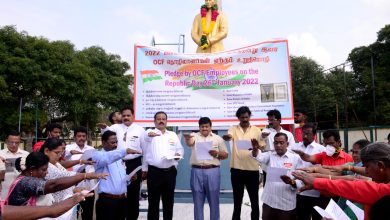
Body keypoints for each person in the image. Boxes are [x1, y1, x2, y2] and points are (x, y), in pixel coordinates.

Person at [292, 142, 390, 220]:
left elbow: (354, 187)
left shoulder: (385, 190)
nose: (366, 172)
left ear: (381, 166)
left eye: (367, 167)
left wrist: (316, 181)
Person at [5, 152, 106, 206]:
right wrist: (85, 176)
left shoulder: (30, 177)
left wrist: (74, 193)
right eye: (44, 170)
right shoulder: (25, 182)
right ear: (32, 169)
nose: (47, 172)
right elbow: (53, 185)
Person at [98, 106, 146, 220]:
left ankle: (132, 217)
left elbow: (146, 150)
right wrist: (104, 128)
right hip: (117, 163)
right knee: (119, 191)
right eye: (123, 115)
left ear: (133, 116)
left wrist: (144, 168)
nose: (126, 117)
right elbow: (107, 135)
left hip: (134, 163)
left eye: (128, 115)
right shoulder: (115, 127)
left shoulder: (140, 130)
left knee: (133, 194)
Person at [183, 117, 228, 220]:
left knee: (214, 201)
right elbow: (190, 142)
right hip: (196, 171)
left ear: (210, 127)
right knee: (197, 201)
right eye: (202, 127)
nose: (204, 129)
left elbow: (225, 155)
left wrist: (217, 154)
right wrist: (187, 139)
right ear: (199, 127)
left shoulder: (218, 138)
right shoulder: (194, 136)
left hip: (212, 171)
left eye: (206, 126)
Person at [222, 106, 262, 220]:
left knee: (254, 201)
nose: (245, 119)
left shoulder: (256, 130)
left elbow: (262, 146)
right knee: (237, 201)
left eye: (246, 117)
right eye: (242, 117)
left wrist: (256, 147)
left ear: (249, 116)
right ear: (238, 118)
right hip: (236, 170)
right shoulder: (233, 129)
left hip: (252, 170)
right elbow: (229, 136)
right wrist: (227, 137)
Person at [143, 111, 184, 220]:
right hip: (154, 173)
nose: (161, 121)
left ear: (166, 121)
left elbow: (180, 149)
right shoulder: (150, 133)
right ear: (154, 121)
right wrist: (149, 134)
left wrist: (178, 155)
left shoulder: (173, 135)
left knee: (169, 203)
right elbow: (146, 136)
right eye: (158, 119)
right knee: (153, 204)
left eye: (163, 119)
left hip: (170, 173)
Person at [92, 130, 141, 220]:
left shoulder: (118, 158)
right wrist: (125, 151)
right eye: (112, 142)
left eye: (116, 142)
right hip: (107, 201)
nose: (115, 145)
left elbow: (119, 179)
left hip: (122, 201)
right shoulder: (97, 155)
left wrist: (129, 178)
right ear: (103, 142)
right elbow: (107, 158)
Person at [251, 133, 300, 220]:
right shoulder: (270, 155)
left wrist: (292, 182)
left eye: (281, 143)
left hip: (286, 204)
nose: (278, 145)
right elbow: (258, 156)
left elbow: (300, 179)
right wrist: (255, 149)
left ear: (287, 144)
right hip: (269, 202)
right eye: (276, 143)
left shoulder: (295, 158)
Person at [291, 123, 325, 220]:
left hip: (314, 192)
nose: (305, 136)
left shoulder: (321, 149)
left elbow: (323, 170)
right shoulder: (294, 147)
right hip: (298, 191)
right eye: (303, 133)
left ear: (314, 135)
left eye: (308, 134)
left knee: (316, 217)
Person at [64, 126, 95, 220]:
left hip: (88, 186)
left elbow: (94, 165)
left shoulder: (91, 149)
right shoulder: (68, 148)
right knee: (73, 215)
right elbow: (64, 160)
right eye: (79, 136)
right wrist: (70, 153)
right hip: (73, 187)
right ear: (74, 137)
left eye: (83, 136)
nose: (81, 138)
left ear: (86, 137)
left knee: (88, 214)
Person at [261, 109, 295, 185]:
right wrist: (262, 136)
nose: (270, 122)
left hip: (285, 165)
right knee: (269, 187)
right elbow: (260, 143)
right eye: (269, 120)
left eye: (272, 120)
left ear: (279, 120)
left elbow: (292, 149)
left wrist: (281, 153)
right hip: (269, 166)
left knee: (284, 186)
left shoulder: (288, 134)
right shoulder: (265, 132)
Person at [0, 131, 29, 199]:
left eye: (17, 142)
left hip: (21, 191)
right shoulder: (0, 154)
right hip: (3, 191)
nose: (14, 145)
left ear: (20, 142)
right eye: (11, 142)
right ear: (6, 141)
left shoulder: (26, 154)